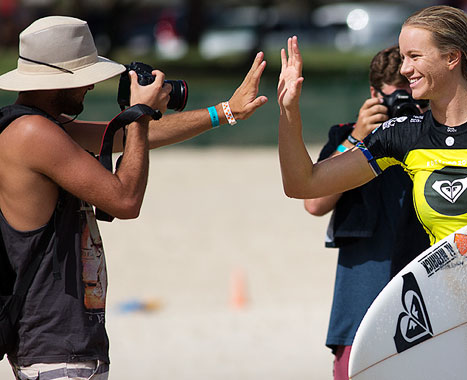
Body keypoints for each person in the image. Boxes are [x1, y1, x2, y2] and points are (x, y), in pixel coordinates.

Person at [277, 6, 467, 380]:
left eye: (414, 56)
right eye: (403, 57)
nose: (404, 69)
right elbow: (304, 185)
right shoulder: (403, 134)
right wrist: (289, 113)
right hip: (445, 320)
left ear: (452, 58)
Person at [0, 16, 267, 379]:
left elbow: (126, 139)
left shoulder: (36, 127)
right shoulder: (33, 133)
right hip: (56, 351)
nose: (91, 87)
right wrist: (139, 115)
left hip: (56, 347)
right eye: (83, 78)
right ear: (56, 81)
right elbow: (125, 201)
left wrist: (226, 112)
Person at [303, 46, 429, 379]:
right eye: (395, 98)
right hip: (363, 277)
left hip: (424, 269)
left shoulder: (438, 136)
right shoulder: (347, 136)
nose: (405, 108)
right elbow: (314, 203)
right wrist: (359, 137)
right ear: (374, 95)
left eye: (411, 97)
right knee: (355, 366)